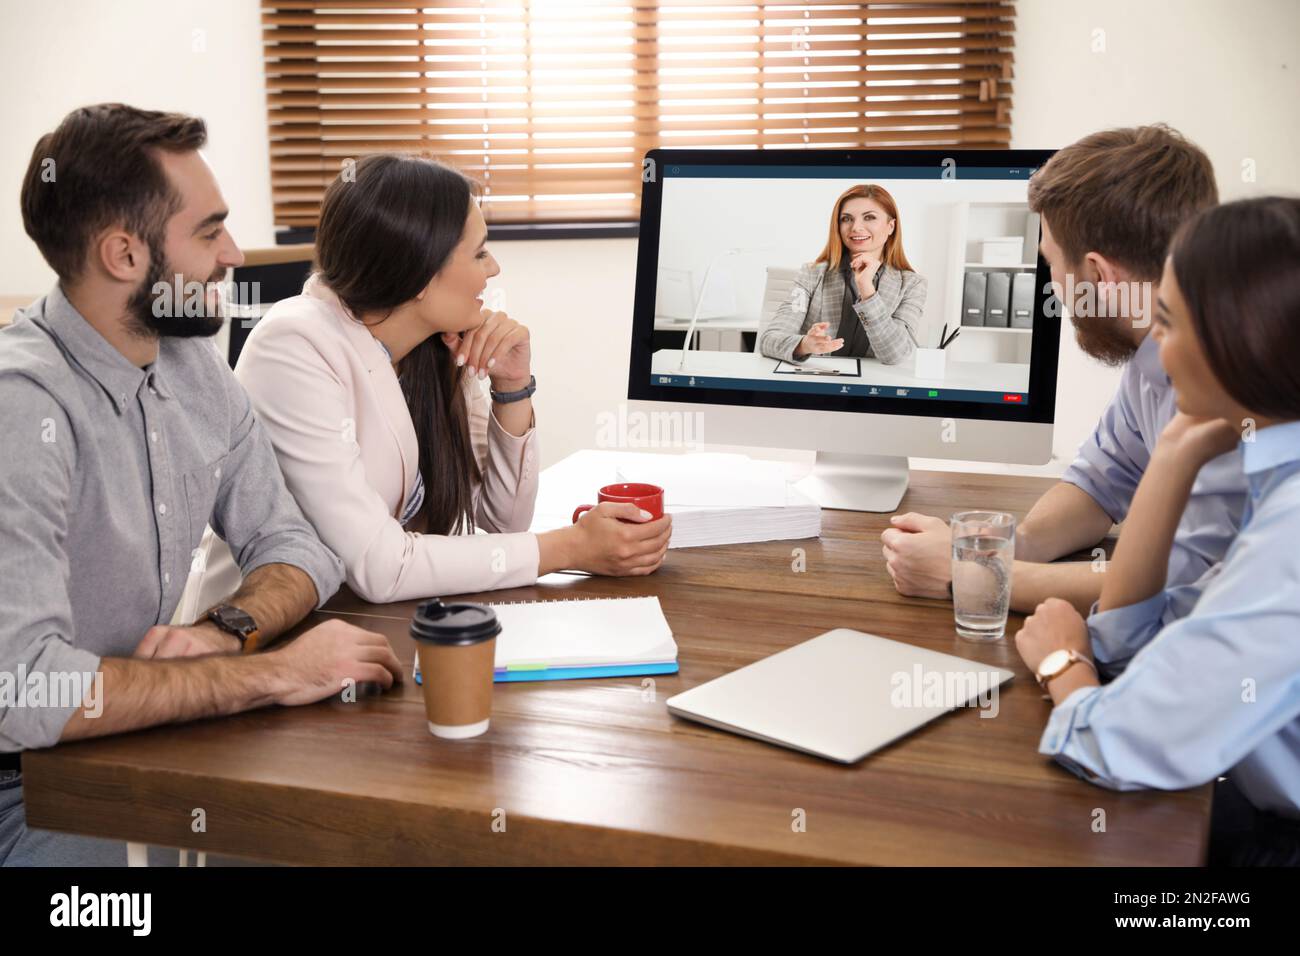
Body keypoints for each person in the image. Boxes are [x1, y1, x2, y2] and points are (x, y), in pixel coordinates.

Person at [0, 104, 404, 867]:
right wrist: (270, 672)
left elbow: (296, 547)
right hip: (25, 793)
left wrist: (227, 630)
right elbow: (25, 692)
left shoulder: (191, 368)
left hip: (134, 747)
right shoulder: (22, 410)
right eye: (210, 230)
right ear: (125, 254)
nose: (233, 254)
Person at [194, 154, 671, 608]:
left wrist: (512, 388)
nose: (494, 269)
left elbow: (504, 523)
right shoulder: (293, 345)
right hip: (262, 642)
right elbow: (382, 568)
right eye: (479, 253)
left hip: (367, 624)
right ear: (420, 273)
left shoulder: (432, 344)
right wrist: (571, 549)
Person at [1014, 196, 1300, 866]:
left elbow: (1113, 743)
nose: (1154, 348)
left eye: (1167, 321)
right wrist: (1172, 453)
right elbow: (1133, 644)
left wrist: (1062, 662)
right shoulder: (1271, 470)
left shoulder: (1290, 533)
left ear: (1241, 338)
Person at [881, 126, 1247, 631]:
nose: (1052, 285)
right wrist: (1000, 546)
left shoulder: (1240, 382)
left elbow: (1188, 587)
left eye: (1051, 262)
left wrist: (979, 578)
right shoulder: (1155, 355)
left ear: (1099, 274)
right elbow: (1102, 482)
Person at [759, 184, 925, 366]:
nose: (856, 227)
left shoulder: (912, 285)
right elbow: (769, 340)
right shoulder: (812, 274)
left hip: (874, 386)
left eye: (869, 217)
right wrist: (804, 345)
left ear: (890, 226)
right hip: (819, 380)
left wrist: (867, 290)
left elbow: (897, 355)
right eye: (846, 219)